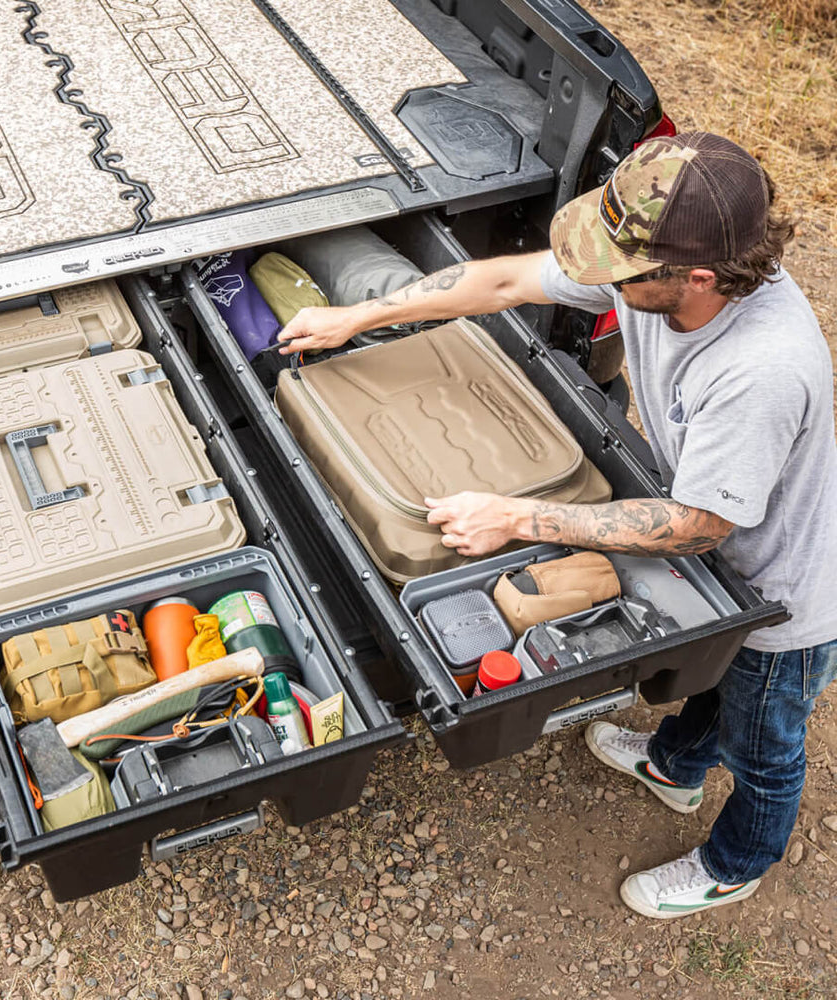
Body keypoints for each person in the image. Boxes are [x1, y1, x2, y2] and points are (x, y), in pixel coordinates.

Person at [278, 132, 837, 919]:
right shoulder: (660, 271)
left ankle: (735, 861)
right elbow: (506, 278)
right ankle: (675, 767)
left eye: (615, 265)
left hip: (784, 588)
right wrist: (359, 314)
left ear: (699, 277)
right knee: (716, 683)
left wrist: (516, 516)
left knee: (765, 741)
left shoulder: (761, 370)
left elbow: (699, 524)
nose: (592, 272)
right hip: (721, 545)